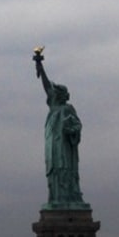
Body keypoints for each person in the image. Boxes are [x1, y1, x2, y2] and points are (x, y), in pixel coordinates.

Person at [33, 47, 86, 209]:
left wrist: (72, 130)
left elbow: (77, 125)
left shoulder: (67, 109)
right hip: (53, 146)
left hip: (64, 146)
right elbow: (46, 85)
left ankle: (69, 197)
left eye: (55, 92)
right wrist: (40, 66)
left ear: (61, 95)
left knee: (64, 170)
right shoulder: (54, 107)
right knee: (54, 171)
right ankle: (55, 198)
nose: (51, 93)